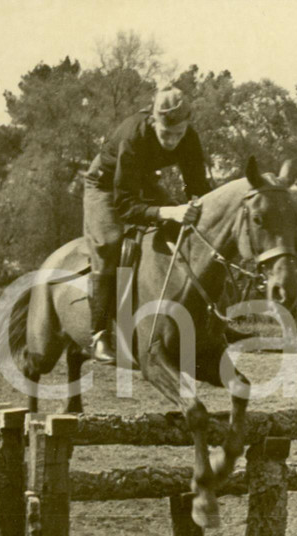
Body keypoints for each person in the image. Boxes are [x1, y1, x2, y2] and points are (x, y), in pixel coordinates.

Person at [82, 86, 210, 364]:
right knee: (110, 243)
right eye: (166, 133)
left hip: (142, 181)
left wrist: (195, 208)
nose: (173, 141)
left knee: (187, 230)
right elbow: (125, 206)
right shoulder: (133, 135)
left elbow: (197, 185)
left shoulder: (188, 137)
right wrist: (168, 211)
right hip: (104, 186)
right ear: (153, 121)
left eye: (179, 134)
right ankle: (98, 334)